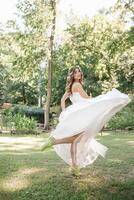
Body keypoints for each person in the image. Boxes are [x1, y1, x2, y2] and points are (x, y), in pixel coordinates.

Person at [41, 66, 131, 176]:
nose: (78, 74)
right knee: (76, 139)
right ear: (72, 75)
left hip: (75, 113)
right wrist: (92, 97)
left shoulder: (70, 88)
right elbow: (87, 99)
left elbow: (62, 100)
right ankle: (54, 143)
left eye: (79, 72)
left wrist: (65, 112)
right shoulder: (78, 85)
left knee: (75, 140)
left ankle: (74, 167)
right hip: (81, 115)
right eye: (75, 73)